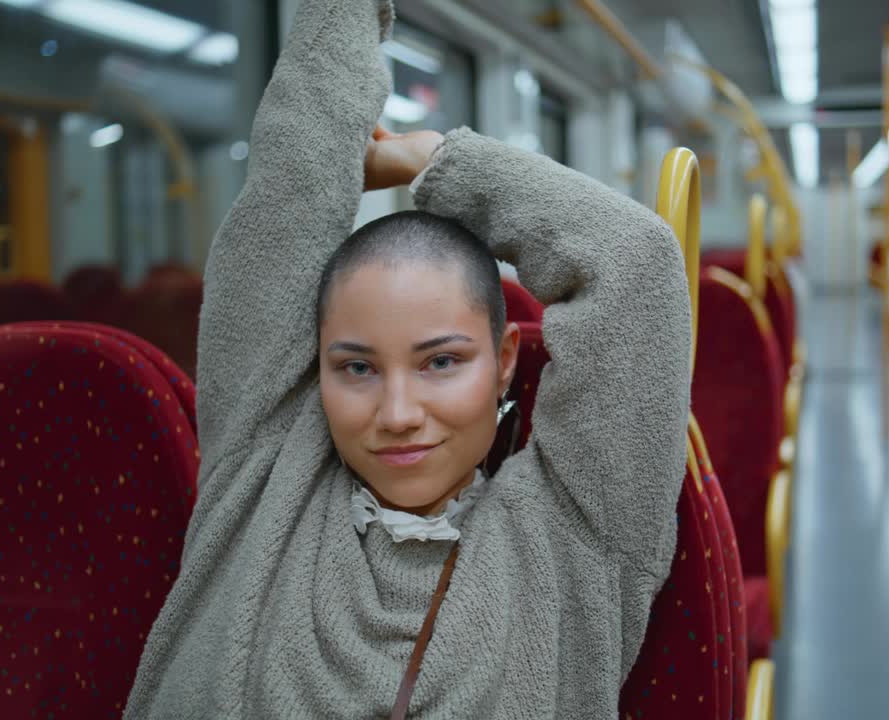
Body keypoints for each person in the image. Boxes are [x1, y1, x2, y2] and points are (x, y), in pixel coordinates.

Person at [123, 0, 692, 717]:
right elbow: (289, 184)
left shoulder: (575, 536)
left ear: (506, 359)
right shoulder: (261, 480)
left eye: (441, 362)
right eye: (356, 368)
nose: (397, 415)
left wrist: (433, 162)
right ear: (314, 368)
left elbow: (634, 262)